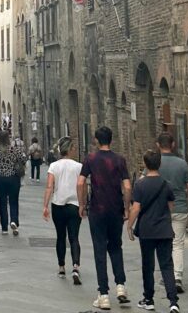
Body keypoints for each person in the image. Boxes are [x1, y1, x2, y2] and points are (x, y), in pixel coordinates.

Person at [78, 126, 131, 310]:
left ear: (96, 140)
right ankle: (121, 286)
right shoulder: (119, 160)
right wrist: (126, 207)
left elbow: (80, 182)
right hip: (115, 209)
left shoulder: (91, 159)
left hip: (97, 210)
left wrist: (82, 203)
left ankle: (104, 294)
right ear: (111, 140)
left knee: (99, 249)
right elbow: (127, 186)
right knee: (116, 246)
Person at [127, 149, 180, 313]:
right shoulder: (166, 185)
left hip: (147, 231)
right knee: (167, 265)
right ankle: (173, 302)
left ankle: (148, 299)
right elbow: (170, 206)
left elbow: (136, 208)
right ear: (160, 164)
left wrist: (129, 225)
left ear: (145, 164)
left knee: (148, 265)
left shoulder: (140, 185)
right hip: (164, 230)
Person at [42, 136, 83, 286]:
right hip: (74, 205)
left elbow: (49, 187)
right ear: (71, 149)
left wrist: (45, 206)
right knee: (74, 237)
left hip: (57, 205)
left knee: (60, 236)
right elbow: (81, 186)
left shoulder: (53, 166)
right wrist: (83, 204)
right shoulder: (79, 166)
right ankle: (76, 267)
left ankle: (61, 267)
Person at [156, 133, 188, 293]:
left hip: (160, 209)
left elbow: (145, 182)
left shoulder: (154, 163)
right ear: (172, 145)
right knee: (177, 244)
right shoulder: (182, 164)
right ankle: (177, 276)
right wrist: (182, 196)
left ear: (158, 145)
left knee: (163, 243)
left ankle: (167, 276)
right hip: (179, 208)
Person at [0, 129, 25, 234]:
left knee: (2, 202)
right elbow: (23, 160)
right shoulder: (15, 150)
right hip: (13, 178)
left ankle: (4, 228)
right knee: (14, 201)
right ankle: (14, 221)